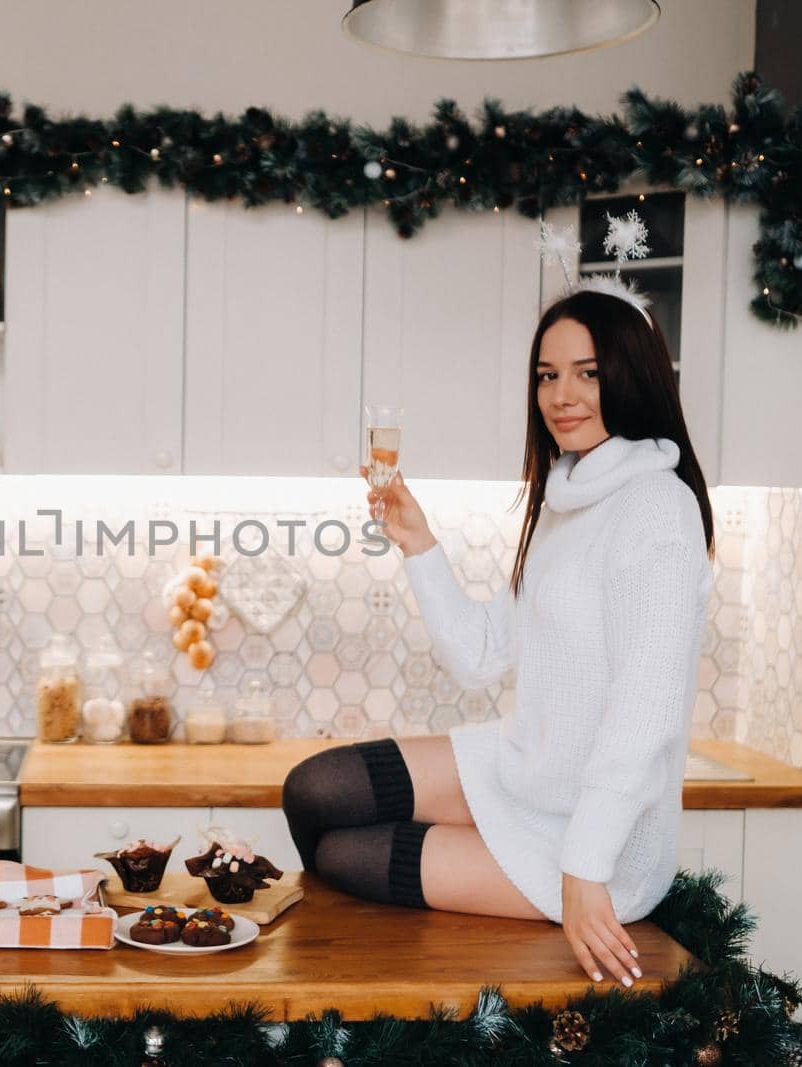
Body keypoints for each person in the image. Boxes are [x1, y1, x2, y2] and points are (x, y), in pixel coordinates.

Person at [282, 289, 715, 989]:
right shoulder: (566, 496)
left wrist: (585, 865)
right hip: (526, 770)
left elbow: (647, 711)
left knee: (345, 855)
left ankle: (353, 1008)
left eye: (587, 372)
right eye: (547, 375)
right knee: (315, 791)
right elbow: (481, 655)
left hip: (595, 838)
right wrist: (418, 541)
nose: (561, 395)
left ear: (631, 377)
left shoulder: (658, 509)